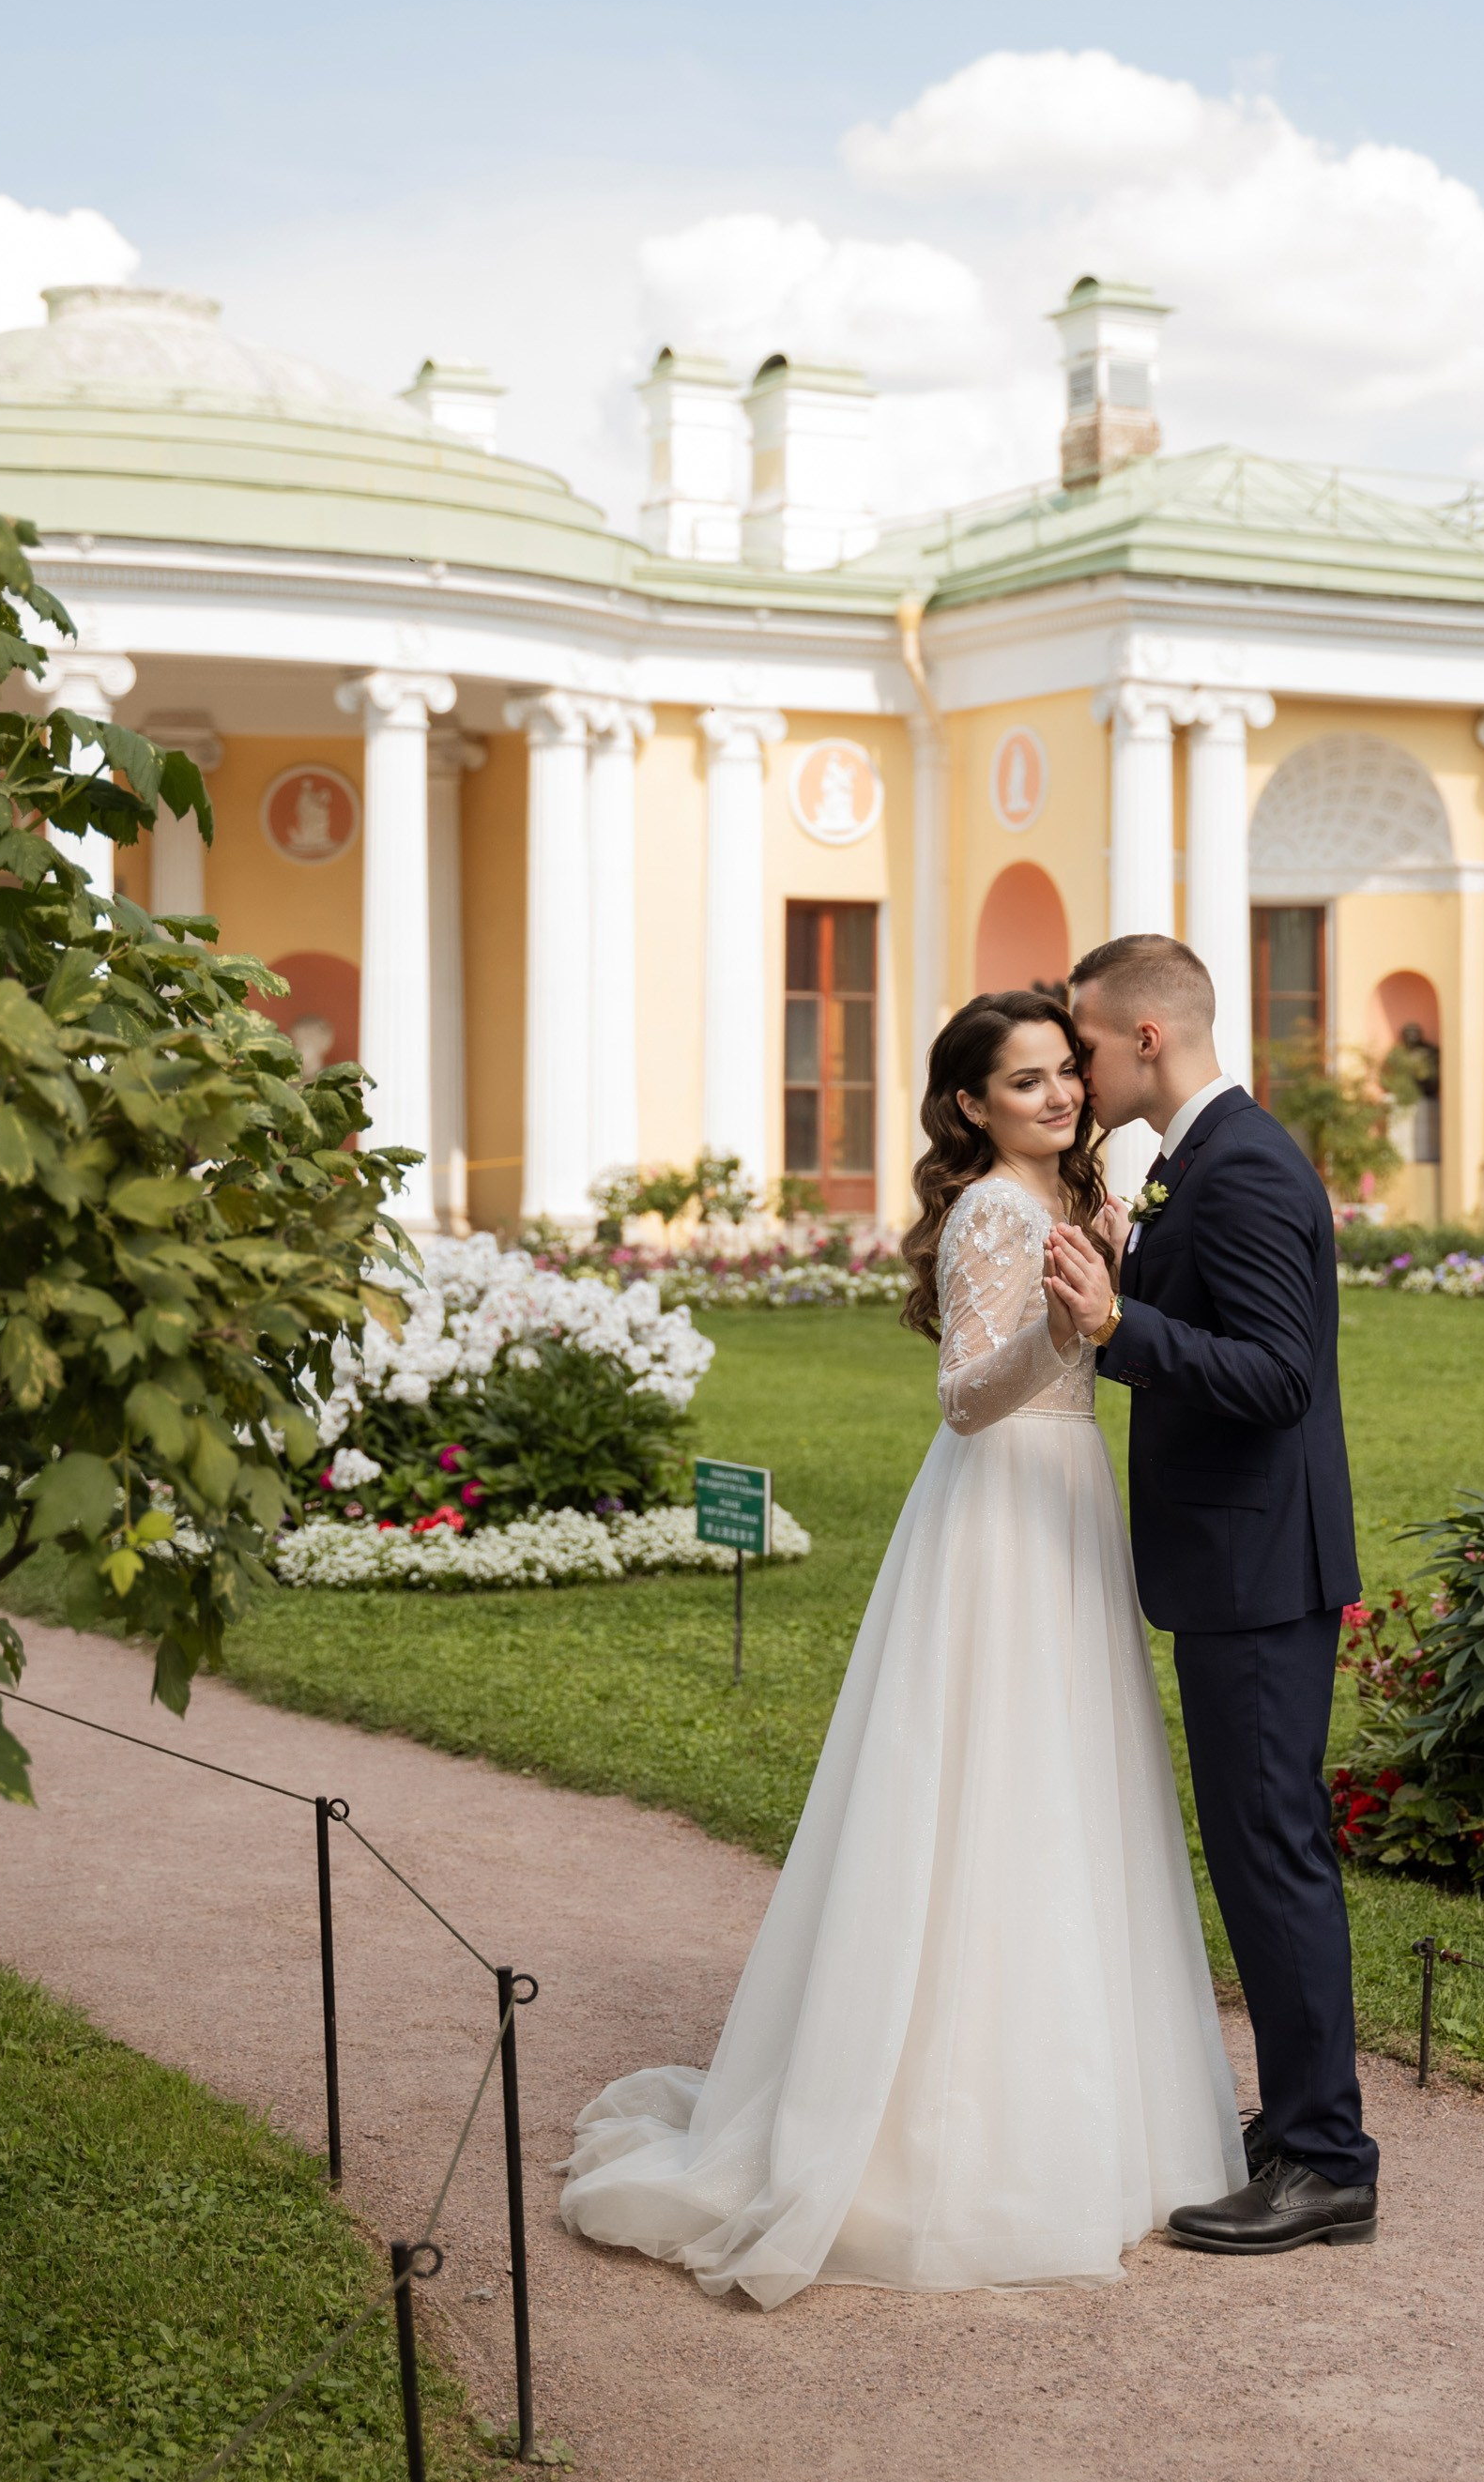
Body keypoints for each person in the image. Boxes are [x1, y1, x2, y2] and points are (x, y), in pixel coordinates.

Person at [560, 989, 1243, 2306]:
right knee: (991, 1789)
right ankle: (952, 2130)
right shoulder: (994, 1211)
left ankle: (1083, 2109)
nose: (1056, 1095)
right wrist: (1067, 1322)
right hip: (999, 1515)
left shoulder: (1074, 1203)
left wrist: (1099, 1267)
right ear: (970, 1106)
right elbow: (964, 1397)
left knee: (1068, 1793)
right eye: (1025, 1081)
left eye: (1062, 1074)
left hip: (1067, 1509)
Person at [1042, 933, 1380, 2254]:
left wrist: (1122, 1327)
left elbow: (1277, 1378)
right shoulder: (1198, 1160)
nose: (1072, 1068)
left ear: (1143, 1038)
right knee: (1256, 1847)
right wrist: (1132, 1280)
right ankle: (1300, 2121)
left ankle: (1325, 2156)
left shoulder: (1239, 1168)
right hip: (1239, 1562)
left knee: (1272, 1849)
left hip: (1259, 1569)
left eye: (1082, 1041)